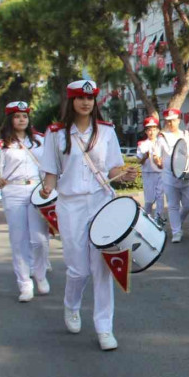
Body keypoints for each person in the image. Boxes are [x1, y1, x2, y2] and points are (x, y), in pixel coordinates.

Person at [39, 80, 133, 351]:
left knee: (102, 269)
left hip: (102, 202)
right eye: (80, 98)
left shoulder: (106, 132)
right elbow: (50, 173)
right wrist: (46, 189)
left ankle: (105, 328)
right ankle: (71, 306)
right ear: (71, 101)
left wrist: (124, 174)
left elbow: (113, 169)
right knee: (78, 269)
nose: (86, 102)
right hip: (70, 205)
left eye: (90, 98)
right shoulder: (56, 133)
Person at [0, 101, 51, 302]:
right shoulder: (2, 145)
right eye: (17, 116)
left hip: (37, 190)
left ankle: (40, 274)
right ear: (10, 119)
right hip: (13, 191)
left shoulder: (41, 140)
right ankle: (25, 283)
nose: (22, 119)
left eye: (25, 116)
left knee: (40, 239)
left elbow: (51, 165)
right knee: (19, 240)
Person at [156, 108, 189, 243]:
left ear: (178, 120)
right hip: (169, 176)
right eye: (168, 121)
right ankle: (176, 232)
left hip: (186, 175)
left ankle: (178, 220)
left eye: (173, 120)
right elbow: (156, 154)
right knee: (172, 205)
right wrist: (157, 159)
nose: (171, 123)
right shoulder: (161, 137)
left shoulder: (187, 135)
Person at [136, 115, 165, 219]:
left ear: (157, 130)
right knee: (149, 200)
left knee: (160, 198)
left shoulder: (162, 143)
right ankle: (147, 219)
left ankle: (159, 220)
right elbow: (139, 161)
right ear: (146, 131)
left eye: (154, 129)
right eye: (149, 130)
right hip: (148, 174)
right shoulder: (142, 144)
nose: (151, 132)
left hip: (160, 173)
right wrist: (145, 156)